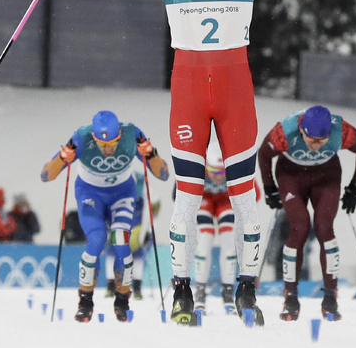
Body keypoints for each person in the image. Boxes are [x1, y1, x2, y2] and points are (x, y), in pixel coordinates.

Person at [93, 0, 307, 326]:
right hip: (189, 87)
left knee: (244, 195)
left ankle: (246, 288)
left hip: (235, 88)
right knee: (187, 195)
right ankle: (182, 290)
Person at [41, 110, 169, 323]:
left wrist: (151, 154)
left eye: (113, 143)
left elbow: (163, 174)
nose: (108, 149)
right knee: (97, 239)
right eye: (102, 144)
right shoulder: (82, 137)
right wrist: (63, 157)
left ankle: (122, 300)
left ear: (120, 135)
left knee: (121, 239)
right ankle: (85, 301)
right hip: (90, 194)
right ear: (94, 138)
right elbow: (46, 175)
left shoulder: (132, 134)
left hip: (122, 193)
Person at [258, 105, 356, 321]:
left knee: (324, 227)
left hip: (326, 176)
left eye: (322, 141)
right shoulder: (284, 131)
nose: (316, 145)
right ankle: (290, 298)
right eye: (311, 139)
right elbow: (264, 154)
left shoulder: (341, 130)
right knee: (299, 227)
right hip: (291, 175)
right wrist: (269, 187)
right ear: (302, 129)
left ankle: (330, 298)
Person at [193, 141, 261, 315]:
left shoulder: (235, 169)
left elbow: (255, 195)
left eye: (222, 172)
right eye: (214, 172)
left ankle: (228, 292)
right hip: (205, 200)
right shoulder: (197, 168)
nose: (218, 177)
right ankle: (199, 291)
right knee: (204, 241)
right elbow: (177, 196)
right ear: (206, 167)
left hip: (226, 200)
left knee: (229, 243)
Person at [106, 157, 165, 300]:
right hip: (120, 227)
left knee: (137, 255)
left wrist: (149, 232)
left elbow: (153, 213)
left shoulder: (146, 190)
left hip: (138, 229)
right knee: (112, 252)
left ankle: (137, 288)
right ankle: (111, 287)